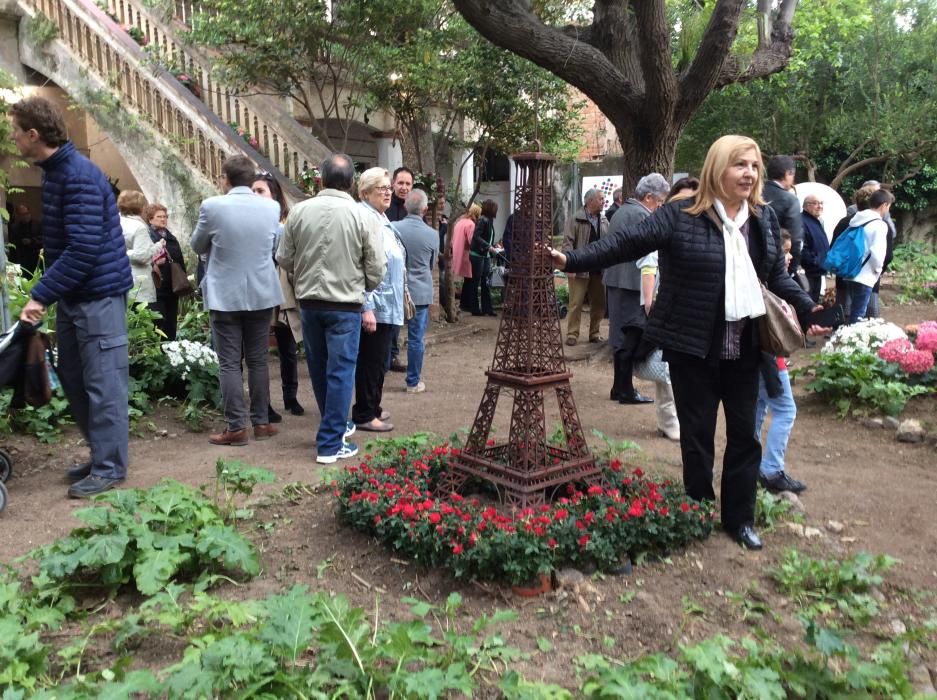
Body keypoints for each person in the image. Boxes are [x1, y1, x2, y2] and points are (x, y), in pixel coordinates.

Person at [550, 135, 823, 551]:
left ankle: (740, 519)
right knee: (697, 436)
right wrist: (571, 260)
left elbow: (775, 277)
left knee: (746, 437)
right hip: (692, 346)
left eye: (753, 166)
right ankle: (697, 510)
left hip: (745, 347)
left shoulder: (762, 219)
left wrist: (807, 308)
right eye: (739, 165)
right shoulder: (680, 215)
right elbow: (625, 244)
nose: (749, 173)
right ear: (718, 169)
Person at [12, 96, 134, 498]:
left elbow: (82, 249)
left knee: (104, 383)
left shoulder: (78, 176)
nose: (12, 137)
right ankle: (102, 455)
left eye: (16, 130)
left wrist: (40, 294)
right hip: (77, 296)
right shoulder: (55, 172)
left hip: (98, 297)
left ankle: (110, 467)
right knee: (75, 377)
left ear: (33, 134)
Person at [277, 154, 385, 464]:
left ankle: (334, 428)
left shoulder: (298, 212)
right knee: (340, 371)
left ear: (321, 179)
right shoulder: (362, 215)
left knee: (320, 369)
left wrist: (305, 273)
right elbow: (376, 267)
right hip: (345, 304)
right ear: (352, 183)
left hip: (309, 303)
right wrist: (362, 284)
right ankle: (330, 443)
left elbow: (284, 257)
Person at [190, 155, 283, 446]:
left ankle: (236, 426)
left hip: (225, 294)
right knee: (258, 360)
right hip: (261, 292)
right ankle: (262, 422)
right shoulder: (271, 207)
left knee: (229, 363)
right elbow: (274, 246)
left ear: (225, 179)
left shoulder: (213, 206)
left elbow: (196, 244)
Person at [604, 174, 669, 404]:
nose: (660, 206)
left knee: (619, 336)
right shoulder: (642, 215)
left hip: (615, 280)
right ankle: (625, 390)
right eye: (659, 201)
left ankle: (618, 388)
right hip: (634, 283)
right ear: (649, 197)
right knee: (629, 338)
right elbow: (648, 256)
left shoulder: (621, 210)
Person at [353, 167, 405, 431]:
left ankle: (372, 405)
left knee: (379, 360)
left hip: (388, 304)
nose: (388, 193)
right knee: (371, 362)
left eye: (388, 188)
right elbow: (362, 265)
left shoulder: (380, 218)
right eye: (381, 189)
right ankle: (364, 413)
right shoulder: (366, 219)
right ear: (364, 193)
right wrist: (367, 307)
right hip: (377, 305)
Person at [755, 231, 807, 494]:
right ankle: (771, 470)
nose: (788, 257)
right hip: (769, 358)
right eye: (785, 251)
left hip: (759, 357)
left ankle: (751, 465)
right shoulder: (771, 284)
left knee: (758, 406)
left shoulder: (762, 278)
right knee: (786, 410)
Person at [252, 173, 304, 419]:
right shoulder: (248, 222)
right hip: (257, 290)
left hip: (280, 289)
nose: (255, 195)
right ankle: (264, 404)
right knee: (257, 351)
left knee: (287, 345)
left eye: (260, 191)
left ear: (274, 195)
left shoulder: (284, 225)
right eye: (252, 190)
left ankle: (290, 396)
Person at [394, 189, 439, 394]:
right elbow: (432, 264)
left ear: (405, 206)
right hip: (420, 290)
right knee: (416, 338)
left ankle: (378, 374)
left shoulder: (393, 228)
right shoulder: (433, 234)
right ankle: (412, 381)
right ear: (425, 209)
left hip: (395, 289)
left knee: (388, 335)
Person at [843, 188, 894, 324]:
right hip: (865, 275)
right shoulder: (879, 225)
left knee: (854, 311)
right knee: (859, 315)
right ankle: (852, 344)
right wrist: (877, 271)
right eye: (889, 206)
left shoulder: (856, 220)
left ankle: (848, 339)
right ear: (884, 205)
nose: (888, 210)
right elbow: (878, 253)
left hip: (850, 271)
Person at [564, 188, 607, 346]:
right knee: (576, 303)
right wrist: (569, 265)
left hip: (599, 269)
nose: (603, 202)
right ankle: (572, 334)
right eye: (601, 199)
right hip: (580, 268)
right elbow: (567, 243)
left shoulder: (603, 220)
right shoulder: (576, 219)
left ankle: (594, 333)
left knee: (599, 303)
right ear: (590, 201)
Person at [386, 167, 414, 371]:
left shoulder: (414, 210)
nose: (404, 187)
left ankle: (392, 355)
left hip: (406, 270)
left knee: (398, 314)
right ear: (393, 184)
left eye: (408, 184)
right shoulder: (385, 207)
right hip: (384, 267)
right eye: (401, 183)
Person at [145, 203, 187, 341]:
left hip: (172, 288)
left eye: (165, 216)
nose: (163, 219)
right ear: (150, 219)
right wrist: (154, 263)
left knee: (170, 324)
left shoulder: (171, 238)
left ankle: (170, 353)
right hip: (156, 289)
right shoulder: (147, 237)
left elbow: (179, 261)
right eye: (159, 217)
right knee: (158, 324)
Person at [118, 190, 163, 306]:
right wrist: (159, 246)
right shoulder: (139, 227)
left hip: (120, 279)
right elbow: (142, 256)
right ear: (140, 207)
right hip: (138, 284)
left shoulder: (116, 221)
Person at [763, 155, 804, 274]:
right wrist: (792, 269)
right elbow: (795, 238)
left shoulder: (752, 193)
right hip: (778, 262)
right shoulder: (790, 200)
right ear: (788, 173)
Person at [468, 199, 499, 317]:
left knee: (486, 282)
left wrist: (493, 245)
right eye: (495, 207)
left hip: (485, 255)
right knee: (476, 282)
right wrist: (488, 246)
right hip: (477, 255)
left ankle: (487, 308)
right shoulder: (483, 220)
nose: (497, 210)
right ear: (490, 208)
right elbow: (476, 236)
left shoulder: (489, 221)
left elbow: (487, 237)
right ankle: (475, 309)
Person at [800, 194, 829, 303]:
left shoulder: (817, 221)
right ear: (806, 206)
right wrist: (814, 261)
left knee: (814, 302)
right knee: (808, 303)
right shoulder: (802, 221)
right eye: (816, 203)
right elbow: (801, 246)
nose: (820, 206)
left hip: (817, 271)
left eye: (821, 203)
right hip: (808, 272)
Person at [453, 203, 480, 313]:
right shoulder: (470, 224)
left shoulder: (459, 222)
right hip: (467, 255)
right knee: (470, 281)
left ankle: (464, 303)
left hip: (457, 253)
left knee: (467, 281)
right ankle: (467, 304)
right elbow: (471, 241)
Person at [9, 203, 42, 274]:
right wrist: (21, 242)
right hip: (21, 259)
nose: (25, 216)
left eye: (26, 213)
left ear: (29, 212)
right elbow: (11, 243)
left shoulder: (38, 225)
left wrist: (32, 241)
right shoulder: (14, 227)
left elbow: (43, 239)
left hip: (36, 258)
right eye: (22, 214)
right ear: (18, 215)